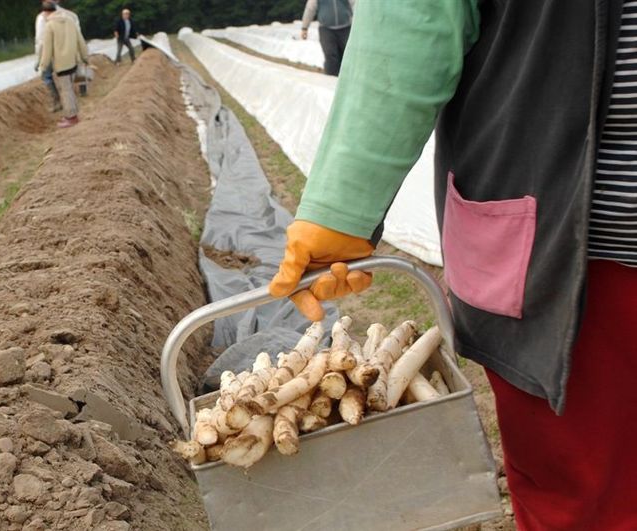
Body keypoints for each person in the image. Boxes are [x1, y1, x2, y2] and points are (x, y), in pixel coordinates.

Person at [271, 2, 637, 529]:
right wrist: (342, 209)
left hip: (560, 251)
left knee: (586, 498)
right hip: (570, 264)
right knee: (584, 490)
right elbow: (414, 17)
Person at [38, 0, 88, 128]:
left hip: (61, 64)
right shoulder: (70, 20)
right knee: (70, 88)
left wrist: (42, 67)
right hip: (72, 61)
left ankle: (71, 118)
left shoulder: (50, 26)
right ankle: (73, 113)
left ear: (45, 12)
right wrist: (85, 57)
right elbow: (80, 40)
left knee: (66, 91)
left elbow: (47, 50)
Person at [300, 0, 354, 76]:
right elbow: (310, 9)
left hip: (346, 28)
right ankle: (331, 80)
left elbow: (355, 5)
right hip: (326, 29)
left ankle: (347, 79)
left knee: (347, 55)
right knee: (330, 55)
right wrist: (304, 27)